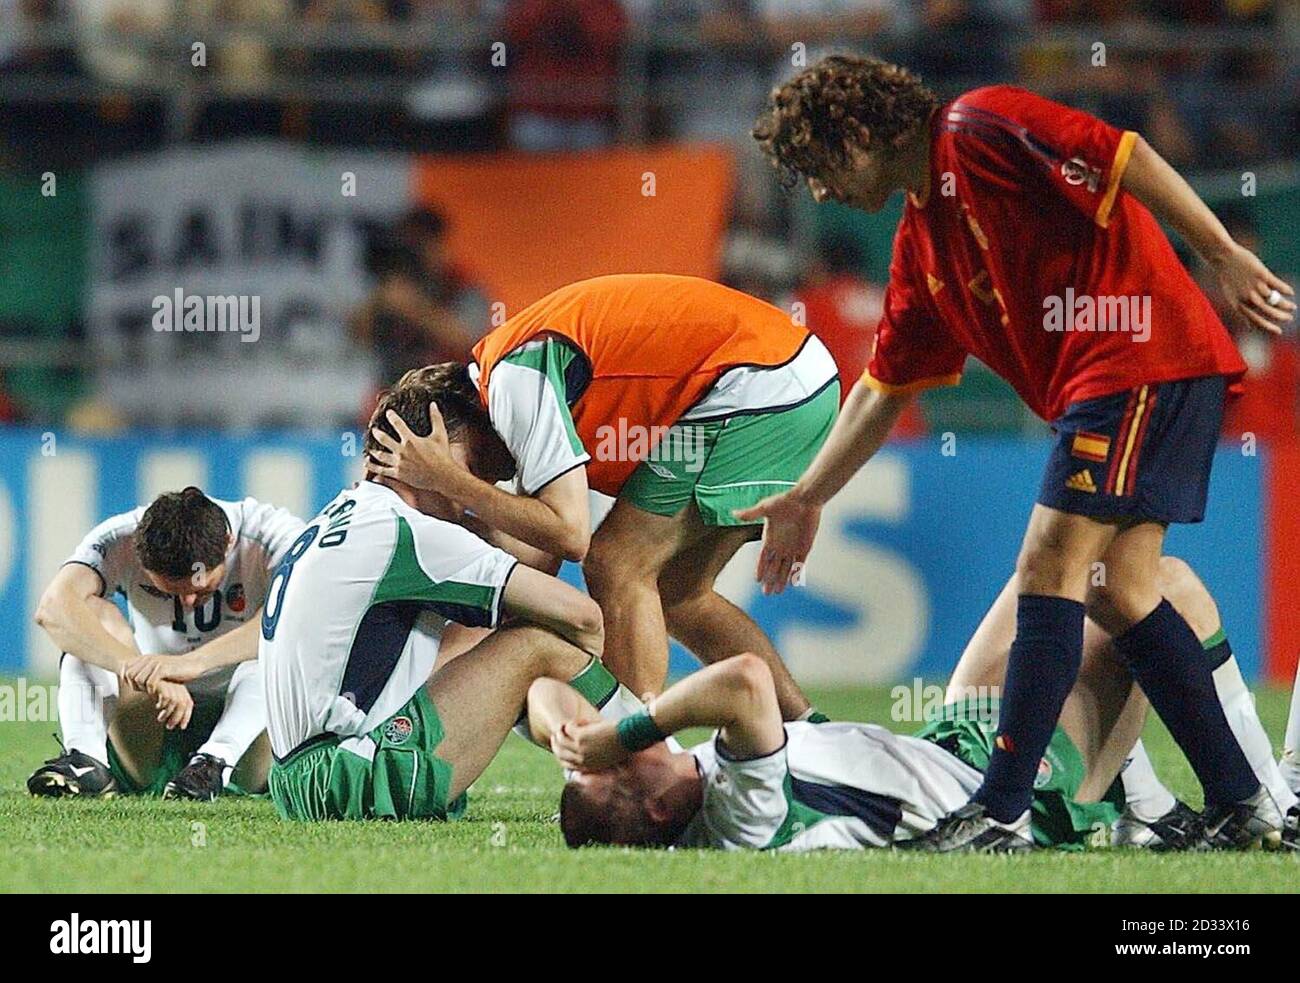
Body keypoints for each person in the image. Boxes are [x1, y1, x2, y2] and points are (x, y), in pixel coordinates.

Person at [739, 55, 1293, 850]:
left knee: (1050, 568)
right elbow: (884, 385)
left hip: (1138, 357)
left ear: (858, 133)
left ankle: (998, 810)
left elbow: (1121, 154)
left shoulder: (981, 125)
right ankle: (1243, 804)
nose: (821, 192)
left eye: (818, 168)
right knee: (1119, 588)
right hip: (1130, 378)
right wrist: (808, 495)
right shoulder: (921, 242)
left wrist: (1217, 250)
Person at [541, 556, 1289, 852]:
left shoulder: (694, 784)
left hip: (953, 739)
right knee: (1155, 586)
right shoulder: (739, 819)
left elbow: (545, 681)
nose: (622, 742)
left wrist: (578, 747)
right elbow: (741, 680)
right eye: (622, 763)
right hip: (1016, 788)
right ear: (662, 809)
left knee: (1058, 559)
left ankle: (1147, 809)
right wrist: (625, 733)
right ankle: (1275, 807)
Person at [366, 274, 840, 721]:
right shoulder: (512, 392)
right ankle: (813, 735)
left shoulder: (514, 382)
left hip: (758, 378)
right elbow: (534, 563)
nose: (433, 507)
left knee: (618, 564)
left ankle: (634, 765)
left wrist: (453, 484)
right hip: (781, 374)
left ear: (447, 437)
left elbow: (571, 537)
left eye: (421, 480)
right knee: (678, 595)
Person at [261, 367, 627, 821]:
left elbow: (522, 563)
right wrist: (577, 673)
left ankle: (599, 762)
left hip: (303, 781)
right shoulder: (408, 535)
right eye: (473, 468)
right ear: (425, 452)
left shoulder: (348, 514)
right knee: (536, 642)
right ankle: (645, 763)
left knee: (500, 638)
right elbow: (583, 617)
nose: (478, 490)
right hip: (348, 778)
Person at [28, 487, 304, 800]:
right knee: (90, 614)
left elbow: (301, 619)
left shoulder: (274, 535)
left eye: (200, 591)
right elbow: (53, 608)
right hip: (153, 723)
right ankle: (85, 762)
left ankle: (212, 763)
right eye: (169, 593)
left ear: (228, 545)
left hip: (247, 740)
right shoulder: (122, 536)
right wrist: (138, 669)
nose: (187, 603)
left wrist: (190, 663)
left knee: (279, 642)